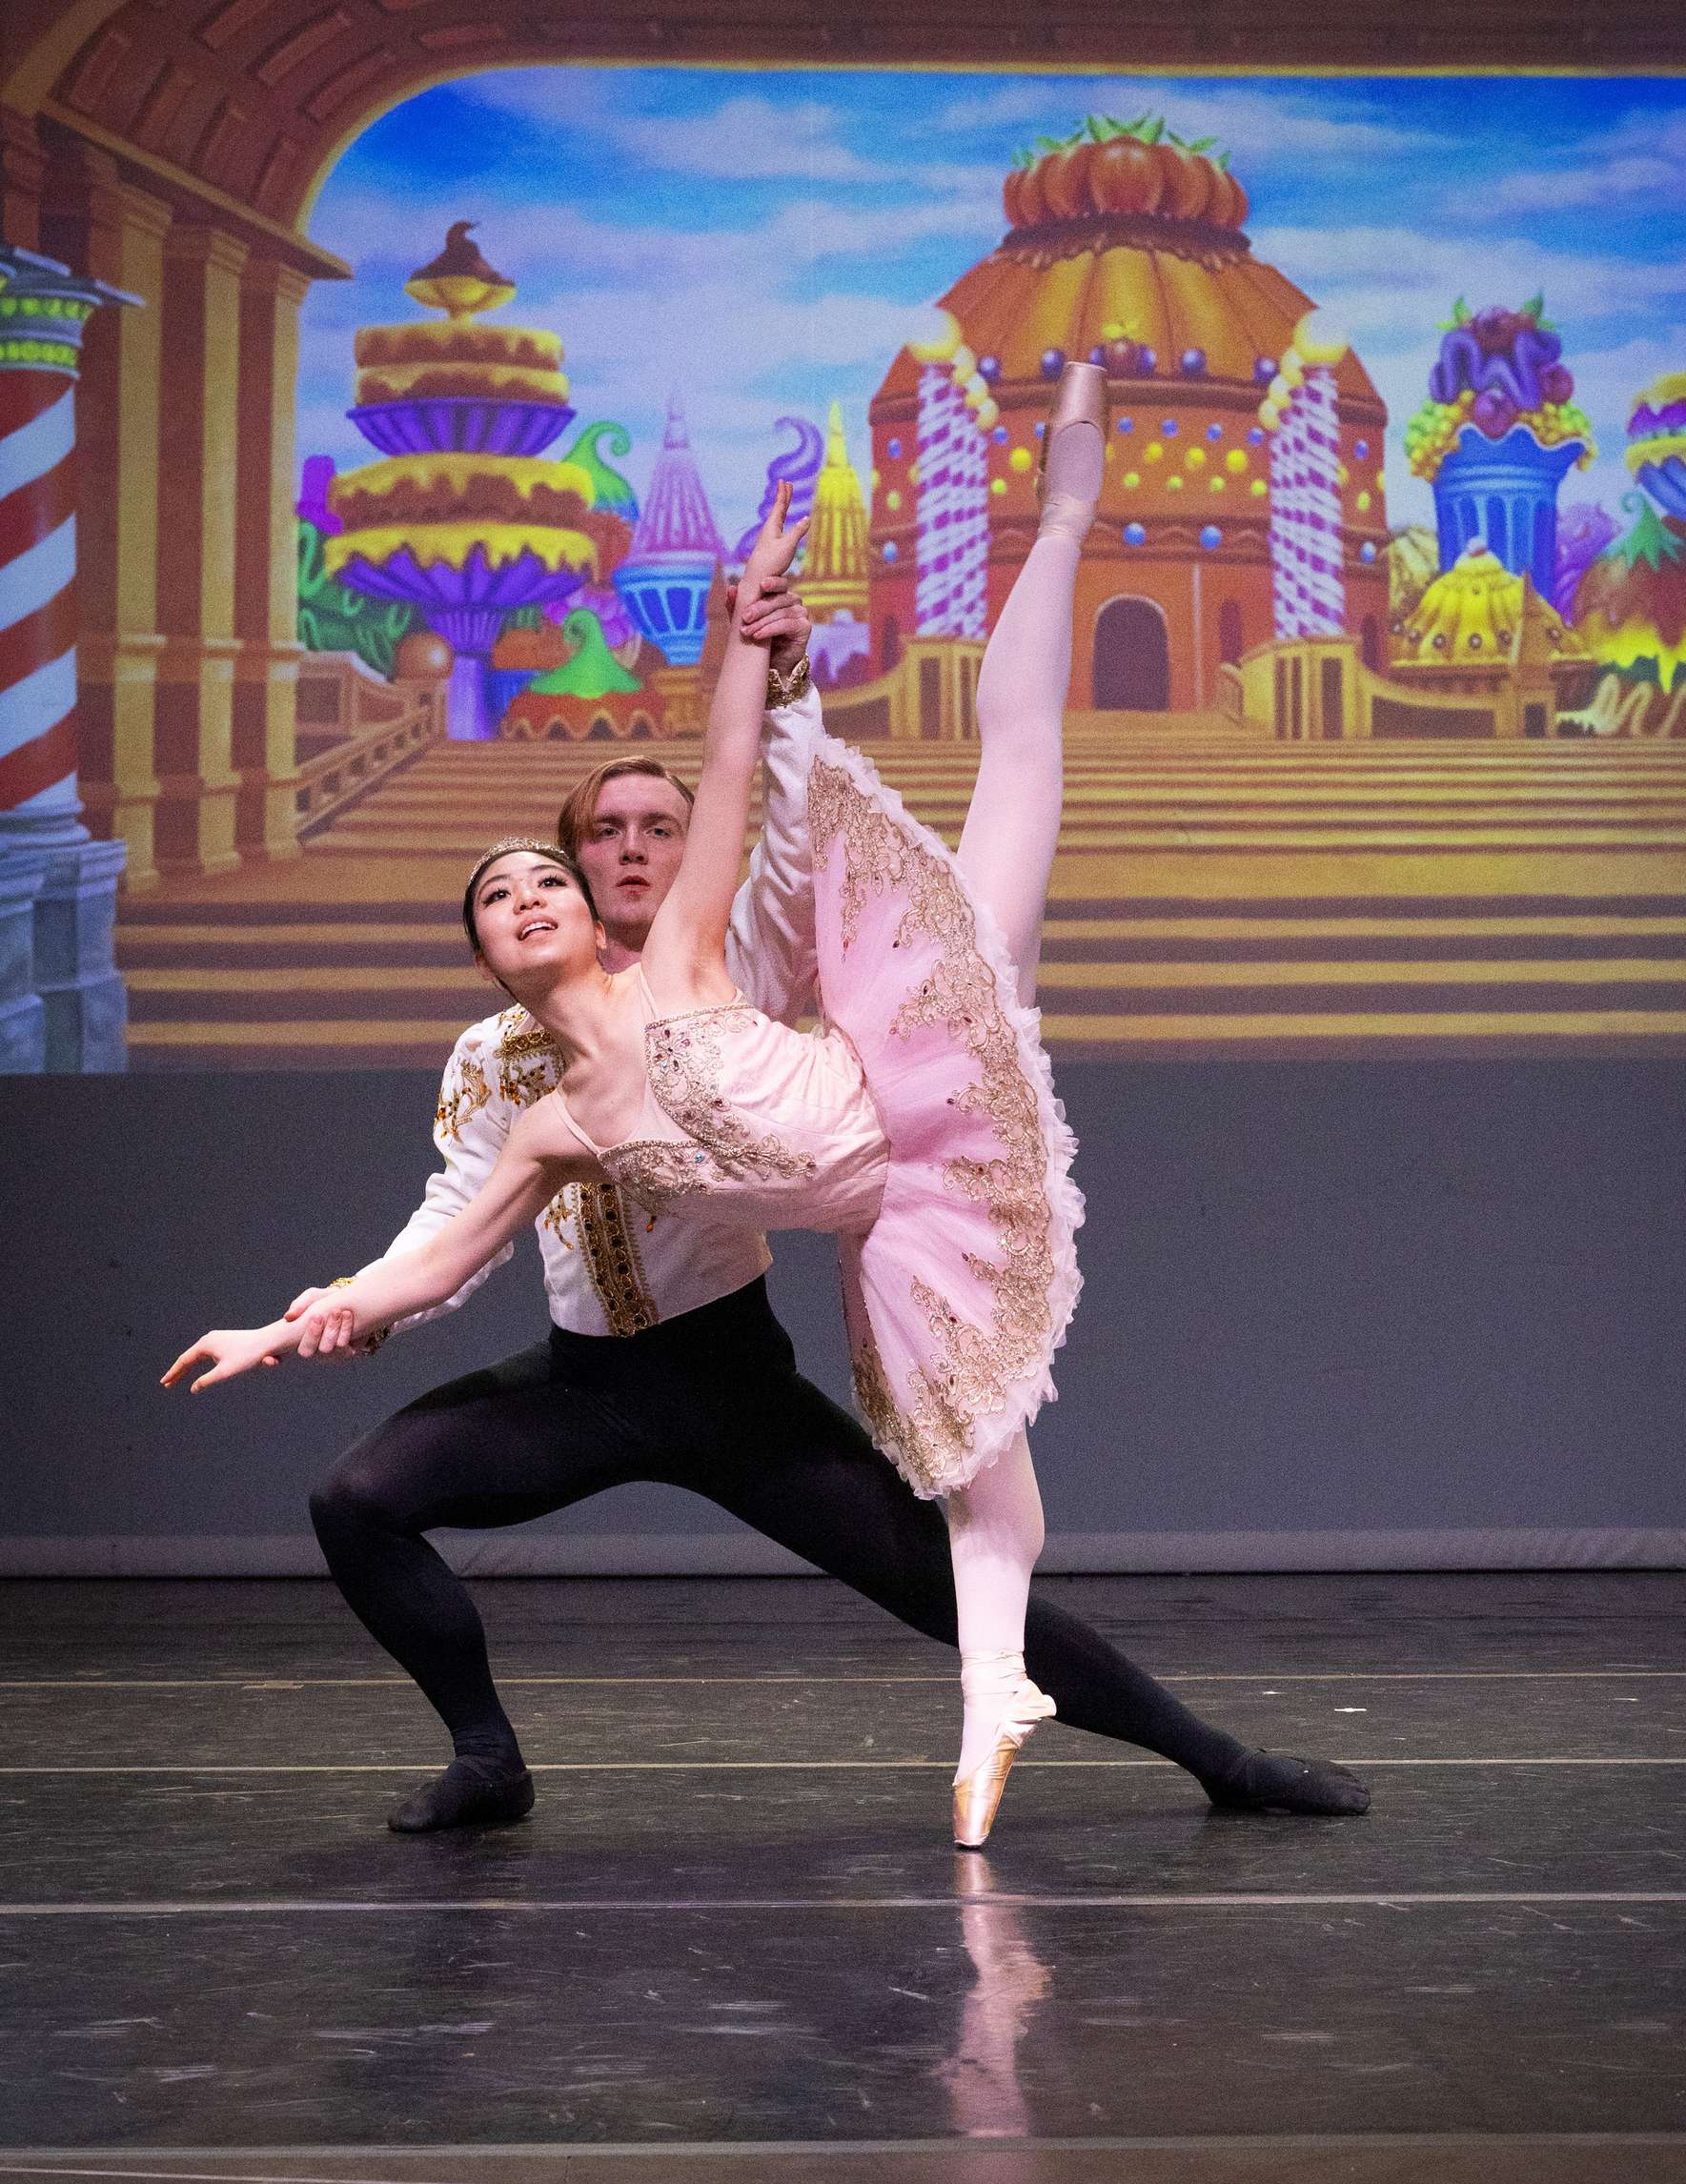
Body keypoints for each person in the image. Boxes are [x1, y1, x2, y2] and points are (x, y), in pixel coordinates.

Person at [166, 376, 1370, 1844]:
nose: (557, 885)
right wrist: (293, 1324)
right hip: (585, 1386)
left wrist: (757, 635)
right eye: (522, 883)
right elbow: (441, 1244)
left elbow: (738, 776)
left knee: (956, 1583)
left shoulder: (702, 964)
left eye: (586, 864)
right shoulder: (506, 1087)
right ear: (483, 946)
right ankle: (489, 1760)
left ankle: (1216, 1759)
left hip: (734, 1381)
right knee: (357, 1499)